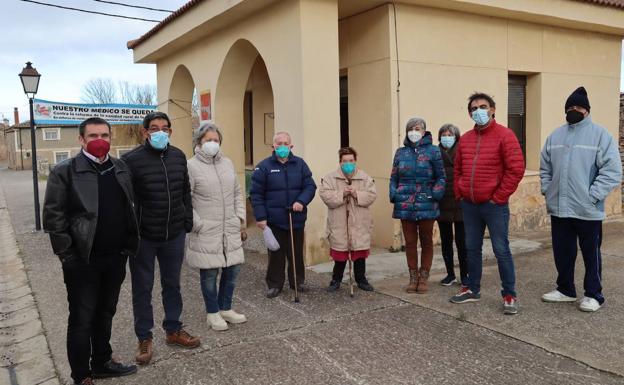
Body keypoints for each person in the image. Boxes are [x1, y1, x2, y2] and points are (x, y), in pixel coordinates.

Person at [43, 117, 138, 385]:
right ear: (82, 139)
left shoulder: (119, 167)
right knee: (82, 318)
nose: (100, 141)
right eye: (94, 135)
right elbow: (53, 217)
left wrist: (127, 246)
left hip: (115, 257)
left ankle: (101, 362)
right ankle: (81, 375)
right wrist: (68, 256)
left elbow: (129, 206)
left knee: (106, 312)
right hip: (82, 261)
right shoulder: (65, 171)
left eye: (105, 135)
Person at [122, 112, 200, 365]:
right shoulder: (131, 160)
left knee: (173, 284)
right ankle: (144, 337)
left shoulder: (178, 156)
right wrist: (131, 231)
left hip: (173, 234)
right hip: (144, 237)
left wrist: (186, 220)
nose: (159, 132)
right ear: (144, 132)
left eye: (164, 128)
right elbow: (125, 201)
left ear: (170, 132)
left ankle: (173, 329)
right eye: (154, 128)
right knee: (142, 289)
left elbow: (185, 192)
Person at [540, 86, 622, 312]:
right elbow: (545, 167)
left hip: (587, 209)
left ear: (587, 110)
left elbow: (613, 171)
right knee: (562, 252)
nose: (573, 110)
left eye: (577, 107)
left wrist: (593, 195)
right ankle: (565, 289)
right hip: (559, 208)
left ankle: (594, 294)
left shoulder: (601, 135)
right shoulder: (555, 136)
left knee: (591, 253)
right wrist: (548, 189)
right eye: (569, 107)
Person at [450, 92, 525, 315]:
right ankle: (472, 289)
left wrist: (498, 197)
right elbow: (458, 169)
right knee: (471, 248)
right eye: (474, 108)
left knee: (501, 250)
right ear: (469, 113)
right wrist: (460, 192)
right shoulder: (465, 138)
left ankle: (509, 294)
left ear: (493, 110)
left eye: (483, 107)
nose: (478, 111)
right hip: (470, 205)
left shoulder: (505, 135)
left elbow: (516, 169)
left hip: (494, 206)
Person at [186, 122, 247, 330]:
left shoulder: (227, 163)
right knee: (210, 274)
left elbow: (238, 192)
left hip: (229, 227)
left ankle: (225, 308)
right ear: (198, 142)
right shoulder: (191, 166)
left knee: (233, 270)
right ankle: (212, 313)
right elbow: (186, 199)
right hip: (206, 229)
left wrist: (239, 218)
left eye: (215, 140)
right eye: (208, 140)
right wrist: (197, 224)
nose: (212, 143)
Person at [250, 131, 317, 298]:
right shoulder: (263, 167)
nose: (282, 146)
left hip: (296, 219)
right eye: (279, 143)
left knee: (295, 253)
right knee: (276, 254)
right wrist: (261, 217)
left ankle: (297, 281)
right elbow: (256, 194)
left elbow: (310, 186)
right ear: (273, 146)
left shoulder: (300, 164)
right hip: (275, 220)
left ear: (291, 146)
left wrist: (301, 201)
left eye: (285, 143)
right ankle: (274, 284)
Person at [390, 117, 445, 294]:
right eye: (410, 129)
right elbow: (394, 177)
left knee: (427, 241)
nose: (414, 131)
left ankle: (424, 277)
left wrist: (434, 194)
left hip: (427, 203)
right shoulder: (400, 153)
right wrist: (394, 194)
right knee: (411, 242)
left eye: (417, 128)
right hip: (405, 204)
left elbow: (441, 177)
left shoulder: (433, 151)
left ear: (424, 131)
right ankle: (413, 277)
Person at [320, 147, 377, 293]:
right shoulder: (329, 178)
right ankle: (336, 280)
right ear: (340, 162)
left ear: (355, 161)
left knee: (359, 254)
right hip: (339, 223)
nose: (348, 164)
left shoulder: (365, 178)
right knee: (340, 254)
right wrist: (342, 193)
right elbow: (326, 196)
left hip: (359, 223)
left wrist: (357, 193)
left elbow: (371, 196)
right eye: (345, 161)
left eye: (351, 161)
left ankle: (361, 279)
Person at [437, 124, 468, 287]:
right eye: (444, 134)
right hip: (442, 202)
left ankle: (465, 275)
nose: (446, 137)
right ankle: (450, 274)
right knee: (446, 241)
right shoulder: (436, 153)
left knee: (462, 242)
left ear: (456, 137)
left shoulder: (462, 151)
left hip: (460, 202)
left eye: (450, 134)